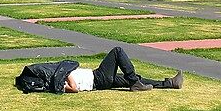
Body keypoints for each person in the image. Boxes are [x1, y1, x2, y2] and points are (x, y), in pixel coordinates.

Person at [15, 47, 183, 94]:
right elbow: (72, 89)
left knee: (136, 78)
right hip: (98, 79)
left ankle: (169, 83)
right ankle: (134, 83)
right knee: (117, 51)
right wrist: (67, 76)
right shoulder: (58, 81)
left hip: (98, 78)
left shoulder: (57, 77)